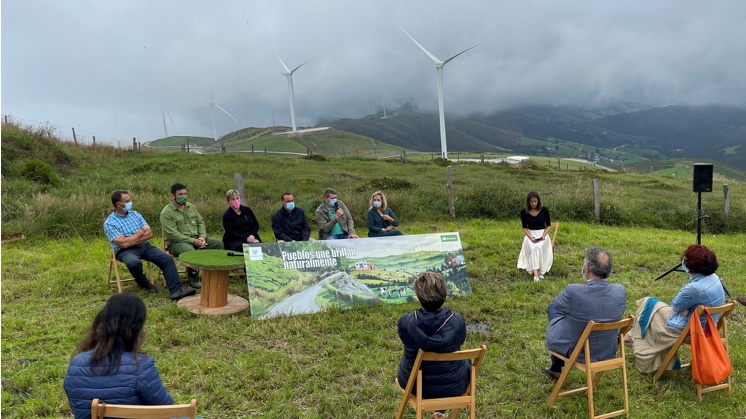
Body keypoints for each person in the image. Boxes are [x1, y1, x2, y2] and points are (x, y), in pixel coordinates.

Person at [63, 294, 176, 418]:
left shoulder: (76, 364)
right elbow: (168, 410)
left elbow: (79, 409)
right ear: (135, 330)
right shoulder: (140, 366)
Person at [627, 244, 725, 374]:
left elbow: (676, 306)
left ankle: (634, 340)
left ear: (692, 266)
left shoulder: (694, 288)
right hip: (708, 326)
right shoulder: (714, 279)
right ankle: (631, 337)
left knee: (648, 305)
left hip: (691, 331)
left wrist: (684, 311)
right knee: (651, 305)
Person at [544, 247, 626, 381]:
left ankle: (556, 365)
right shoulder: (620, 291)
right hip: (606, 350)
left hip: (578, 350)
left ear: (586, 268)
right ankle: (555, 367)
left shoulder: (573, 291)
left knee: (554, 309)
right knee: (572, 315)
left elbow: (557, 305)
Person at [397, 272, 470, 419]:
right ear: (444, 293)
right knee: (458, 364)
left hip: (415, 385)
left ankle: (439, 410)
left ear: (418, 298)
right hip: (454, 385)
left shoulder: (406, 322)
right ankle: (440, 411)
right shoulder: (457, 321)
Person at [103, 190, 196, 301]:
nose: (130, 202)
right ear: (119, 204)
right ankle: (144, 283)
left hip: (144, 246)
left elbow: (149, 233)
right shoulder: (110, 223)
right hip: (125, 251)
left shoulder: (135, 214)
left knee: (167, 259)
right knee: (133, 262)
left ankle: (176, 290)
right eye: (127, 201)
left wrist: (130, 239)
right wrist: (139, 232)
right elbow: (124, 244)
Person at [160, 183, 223, 288]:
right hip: (177, 243)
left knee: (218, 244)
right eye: (180, 194)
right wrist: (194, 242)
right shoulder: (166, 213)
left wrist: (202, 236)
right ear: (173, 196)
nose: (183, 196)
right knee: (189, 251)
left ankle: (217, 274)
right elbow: (173, 234)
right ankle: (194, 278)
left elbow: (200, 222)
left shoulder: (191, 207)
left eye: (185, 193)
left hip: (197, 238)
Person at [517, 191, 554, 282]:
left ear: (538, 201)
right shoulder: (524, 212)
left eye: (535, 201)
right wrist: (530, 237)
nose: (533, 203)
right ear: (528, 202)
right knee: (534, 247)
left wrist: (543, 235)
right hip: (530, 234)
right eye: (531, 202)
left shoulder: (544, 210)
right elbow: (524, 228)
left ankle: (539, 271)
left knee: (538, 246)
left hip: (542, 234)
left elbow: (548, 225)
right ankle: (536, 274)